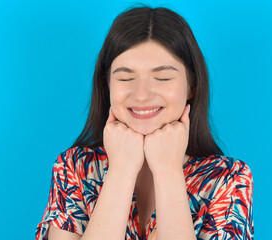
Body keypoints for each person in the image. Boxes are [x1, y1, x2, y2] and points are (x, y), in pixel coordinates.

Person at [35, 5, 254, 240]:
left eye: (162, 78)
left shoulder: (228, 179)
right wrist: (121, 170)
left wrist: (168, 171)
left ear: (191, 85)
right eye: (126, 77)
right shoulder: (74, 168)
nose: (142, 95)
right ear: (107, 84)